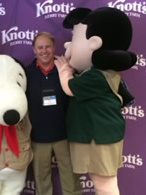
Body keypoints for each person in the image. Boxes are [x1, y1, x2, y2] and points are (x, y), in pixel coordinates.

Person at [54, 7, 136, 195]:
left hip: (99, 139)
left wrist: (64, 70)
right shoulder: (100, 73)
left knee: (104, 185)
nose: (68, 45)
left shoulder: (96, 77)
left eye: (74, 39)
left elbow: (69, 87)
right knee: (103, 183)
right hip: (99, 137)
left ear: (94, 43)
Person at [25, 32, 81, 195]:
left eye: (47, 46)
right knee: (42, 180)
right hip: (38, 136)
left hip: (65, 135)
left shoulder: (67, 69)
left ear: (54, 47)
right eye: (40, 47)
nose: (44, 51)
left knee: (71, 178)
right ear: (34, 50)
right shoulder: (27, 73)